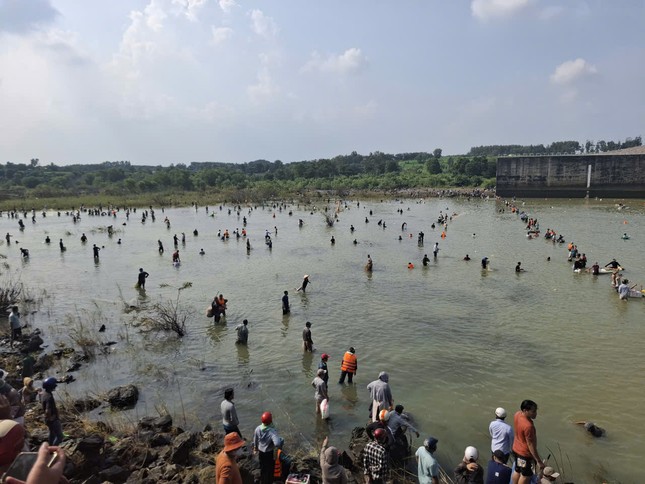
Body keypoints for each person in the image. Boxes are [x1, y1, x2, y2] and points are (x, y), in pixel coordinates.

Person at [511, 400, 545, 484]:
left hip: (515, 449)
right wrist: (538, 461)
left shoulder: (517, 414)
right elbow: (530, 445)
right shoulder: (528, 426)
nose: (536, 413)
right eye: (533, 411)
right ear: (525, 410)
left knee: (517, 470)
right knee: (526, 475)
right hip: (524, 454)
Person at [252, 412, 283, 484]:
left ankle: (263, 480)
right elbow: (277, 443)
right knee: (270, 469)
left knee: (263, 468)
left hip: (261, 452)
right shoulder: (271, 431)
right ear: (270, 421)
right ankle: (269, 481)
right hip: (269, 453)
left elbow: (255, 440)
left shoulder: (258, 428)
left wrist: (255, 448)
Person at [42, 377, 64, 445]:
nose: (55, 385)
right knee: (60, 436)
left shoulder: (44, 394)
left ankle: (50, 448)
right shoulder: (49, 397)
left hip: (47, 420)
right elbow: (47, 410)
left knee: (52, 434)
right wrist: (51, 418)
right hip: (52, 420)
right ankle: (54, 449)